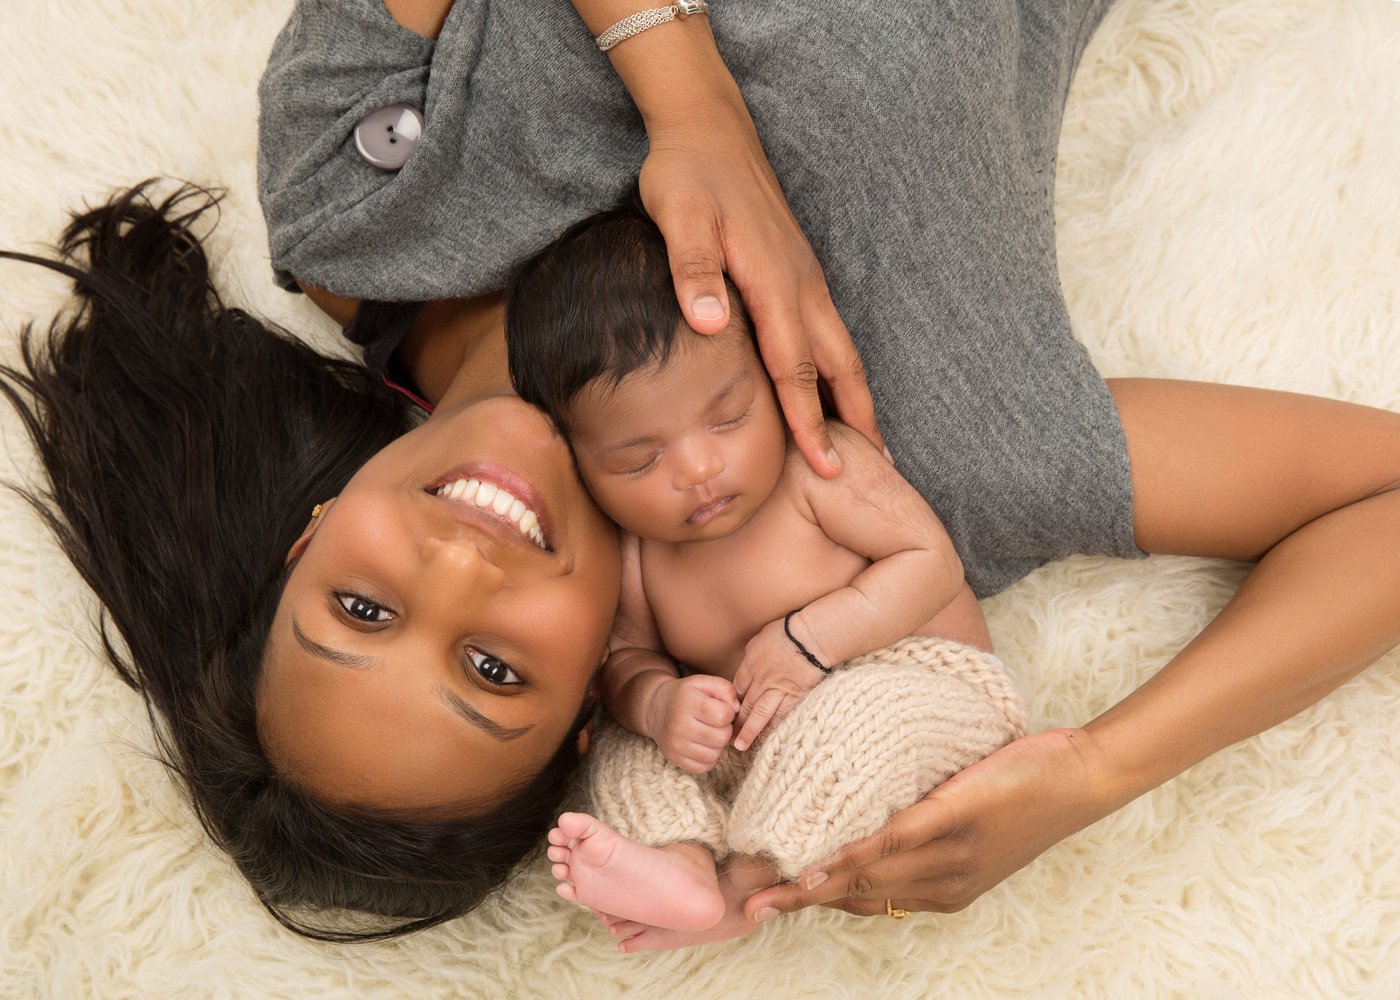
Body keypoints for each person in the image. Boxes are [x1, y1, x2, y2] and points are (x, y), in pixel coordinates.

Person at [256, 0, 1400, 931]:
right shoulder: (908, 468)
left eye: (360, 606)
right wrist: (1095, 770)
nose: (460, 567)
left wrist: (694, 108)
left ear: (307, 533)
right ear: (588, 719)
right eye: (494, 671)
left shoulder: (351, 200)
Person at [505, 201, 1021, 950]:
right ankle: (677, 864)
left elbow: (930, 562)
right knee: (621, 752)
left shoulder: (819, 468)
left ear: (776, 375)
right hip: (746, 752)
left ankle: (732, 898)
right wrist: (660, 705)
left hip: (920, 691)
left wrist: (810, 640)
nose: (698, 468)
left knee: (850, 727)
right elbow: (625, 662)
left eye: (728, 416)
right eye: (637, 460)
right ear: (581, 465)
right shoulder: (636, 553)